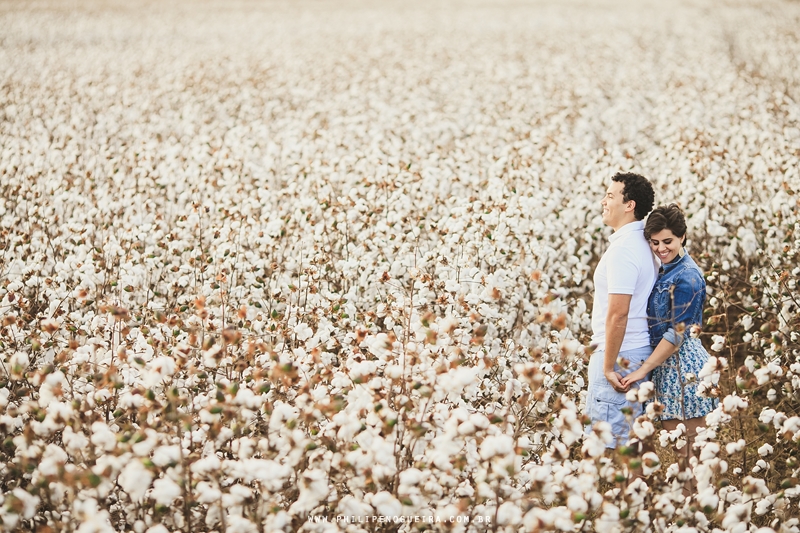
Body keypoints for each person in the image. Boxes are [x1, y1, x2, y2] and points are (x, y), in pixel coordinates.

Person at [620, 204, 719, 451]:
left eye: (668, 241)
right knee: (683, 456)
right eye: (654, 243)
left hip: (684, 369)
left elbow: (678, 333)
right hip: (667, 369)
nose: (661, 249)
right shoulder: (664, 269)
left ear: (682, 236)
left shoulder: (688, 276)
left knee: (692, 458)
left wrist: (643, 370)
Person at [586, 173, 658, 448]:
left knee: (607, 449)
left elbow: (619, 314)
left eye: (610, 195)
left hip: (619, 356)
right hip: (634, 353)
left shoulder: (624, 250)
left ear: (629, 205)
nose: (603, 201)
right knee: (632, 445)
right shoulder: (640, 242)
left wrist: (607, 366)